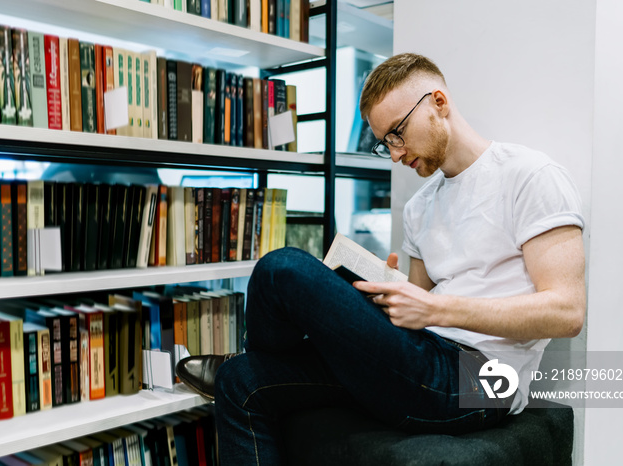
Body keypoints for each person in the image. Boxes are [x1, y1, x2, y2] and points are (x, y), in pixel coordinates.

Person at [176, 53, 586, 464]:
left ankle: (256, 350)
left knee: (281, 269)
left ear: (438, 103)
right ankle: (254, 359)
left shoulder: (530, 176)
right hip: (424, 357)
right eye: (385, 142)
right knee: (240, 380)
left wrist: (435, 308)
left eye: (397, 133)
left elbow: (567, 312)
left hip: (486, 380)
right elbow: (417, 307)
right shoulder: (421, 206)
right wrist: (385, 293)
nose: (395, 154)